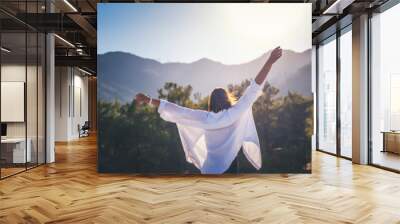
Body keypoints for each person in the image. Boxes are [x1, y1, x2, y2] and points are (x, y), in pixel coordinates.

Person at [135, 47, 283, 174]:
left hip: (209, 169)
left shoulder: (204, 118)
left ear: (211, 102)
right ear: (227, 99)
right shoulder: (235, 112)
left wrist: (149, 100)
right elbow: (254, 88)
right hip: (230, 168)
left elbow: (178, 110)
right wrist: (270, 61)